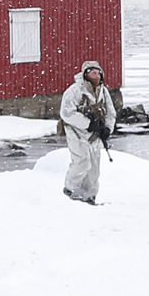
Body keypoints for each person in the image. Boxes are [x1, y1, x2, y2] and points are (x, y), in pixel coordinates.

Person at [57, 60, 114, 204]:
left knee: (94, 168)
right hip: (76, 132)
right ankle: (70, 189)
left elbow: (110, 112)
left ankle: (89, 196)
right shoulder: (74, 91)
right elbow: (66, 113)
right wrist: (88, 124)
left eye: (98, 72)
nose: (96, 75)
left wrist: (107, 128)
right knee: (82, 162)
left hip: (95, 135)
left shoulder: (103, 91)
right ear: (85, 75)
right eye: (92, 72)